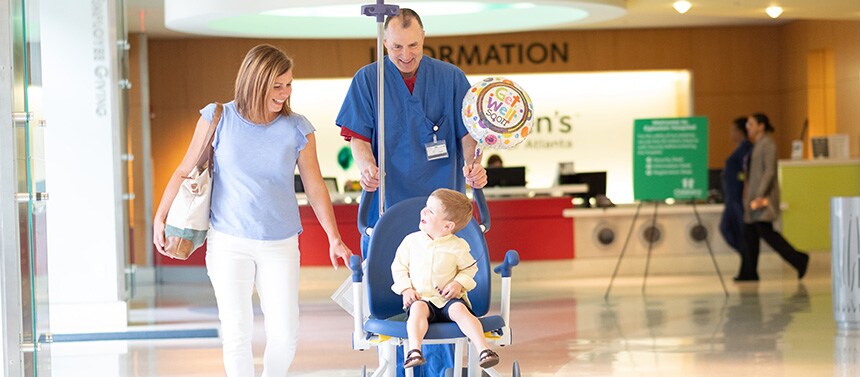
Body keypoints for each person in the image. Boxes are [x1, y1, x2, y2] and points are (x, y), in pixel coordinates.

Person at [153, 44, 352, 377]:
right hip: (228, 241)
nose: (285, 93)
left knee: (286, 335)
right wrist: (160, 217)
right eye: (277, 85)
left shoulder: (298, 128)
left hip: (280, 244)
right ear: (255, 81)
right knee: (236, 333)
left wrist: (334, 237)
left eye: (289, 84)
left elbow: (316, 188)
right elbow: (184, 170)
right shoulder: (218, 117)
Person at [335, 8, 487, 377]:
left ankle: (443, 373)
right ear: (384, 42)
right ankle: (396, 369)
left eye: (414, 46)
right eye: (397, 47)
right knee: (399, 301)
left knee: (444, 298)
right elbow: (358, 137)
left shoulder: (450, 78)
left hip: (443, 212)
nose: (406, 54)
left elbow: (469, 135)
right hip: (389, 209)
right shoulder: (369, 79)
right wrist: (366, 166)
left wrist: (473, 165)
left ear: (424, 39)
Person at [391, 189, 500, 370]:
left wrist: (458, 283)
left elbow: (469, 268)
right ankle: (414, 350)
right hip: (421, 299)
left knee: (460, 310)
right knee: (417, 309)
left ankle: (484, 349)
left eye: (430, 211)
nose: (423, 212)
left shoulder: (457, 246)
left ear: (447, 226)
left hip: (447, 300)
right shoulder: (411, 242)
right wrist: (406, 289)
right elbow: (399, 268)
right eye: (425, 207)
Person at [735, 113, 809, 281]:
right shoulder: (757, 145)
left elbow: (769, 171)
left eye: (751, 124)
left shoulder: (768, 144)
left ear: (761, 126)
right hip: (753, 197)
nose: (748, 128)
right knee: (750, 233)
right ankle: (749, 272)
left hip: (762, 197)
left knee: (766, 232)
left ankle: (799, 259)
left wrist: (760, 195)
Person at [720, 117, 753, 257]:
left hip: (738, 196)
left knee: (740, 229)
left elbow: (747, 171)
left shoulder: (746, 148)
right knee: (726, 228)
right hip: (731, 195)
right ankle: (745, 256)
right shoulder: (739, 148)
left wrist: (746, 187)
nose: (731, 134)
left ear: (740, 131)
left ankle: (747, 257)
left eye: (733, 130)